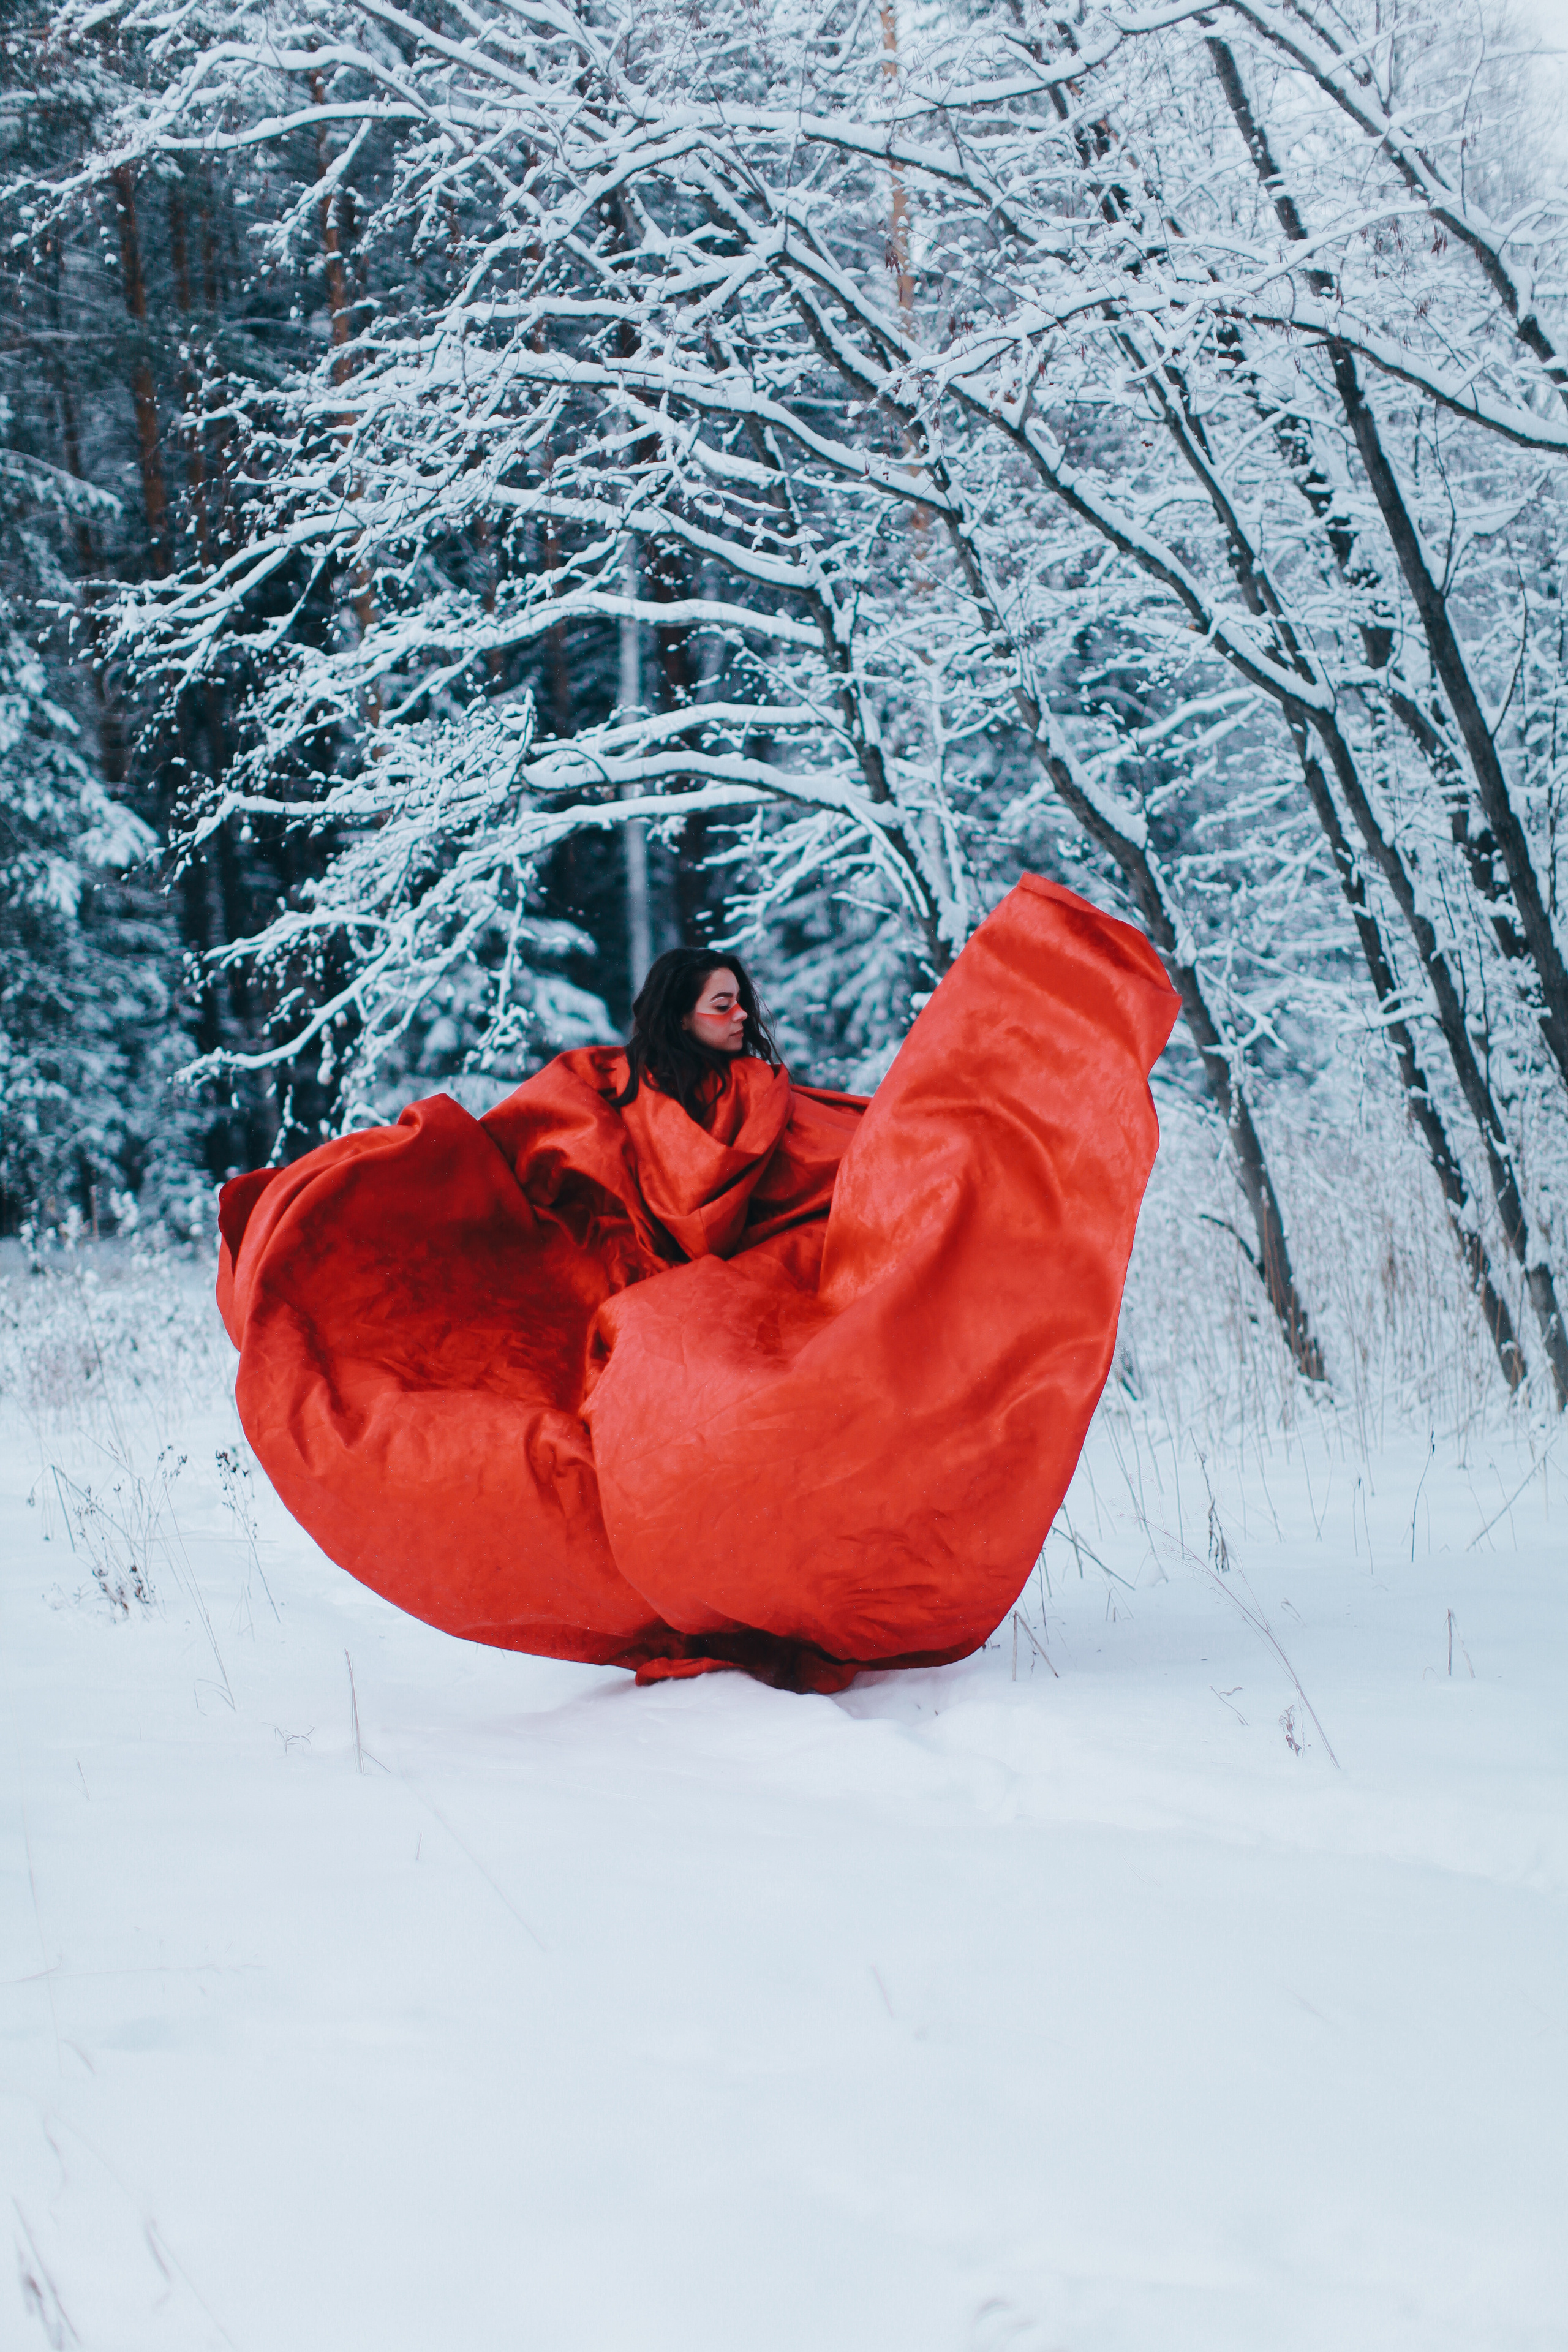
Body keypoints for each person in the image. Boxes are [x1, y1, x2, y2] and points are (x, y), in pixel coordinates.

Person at [216, 878, 1180, 1692]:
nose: (738, 1014)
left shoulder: (789, 1110)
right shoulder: (599, 1094)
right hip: (620, 1321)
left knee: (733, 1403)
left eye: (741, 999)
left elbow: (877, 1175)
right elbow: (524, 1172)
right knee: (642, 1404)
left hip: (743, 1319)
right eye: (717, 1001)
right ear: (674, 1009)